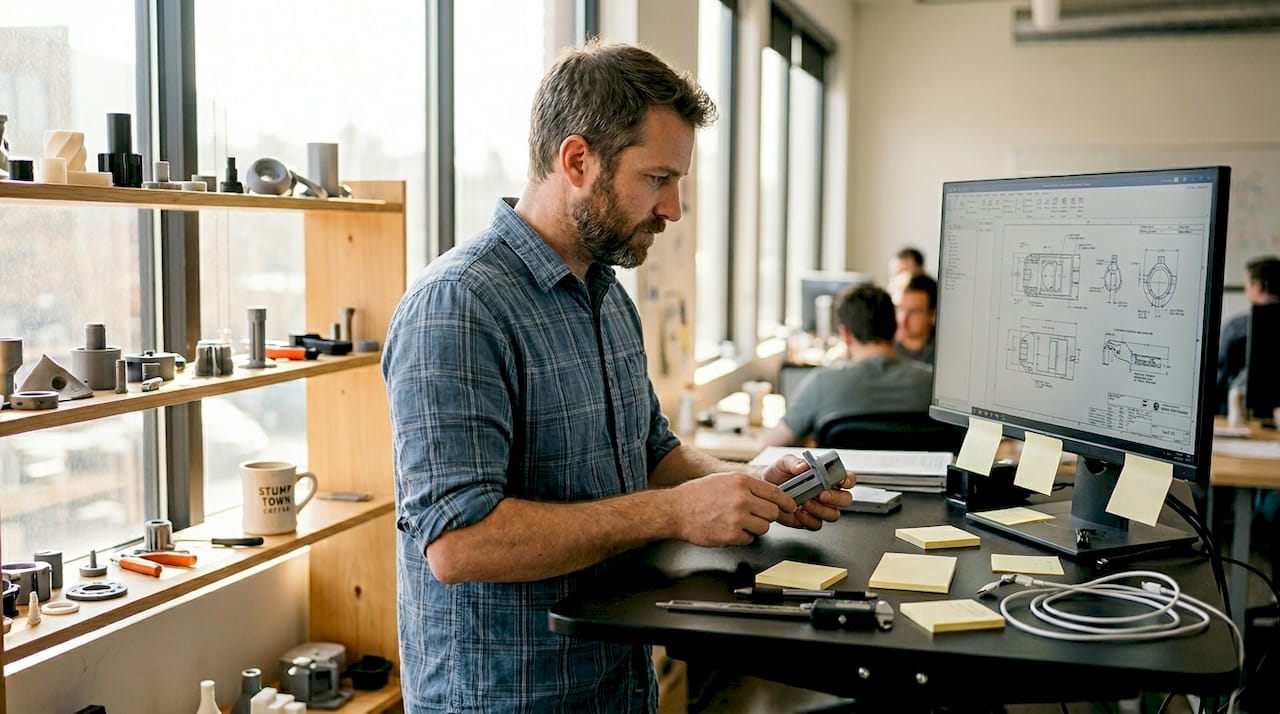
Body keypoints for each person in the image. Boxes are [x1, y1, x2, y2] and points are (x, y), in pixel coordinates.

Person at [381, 42, 853, 714]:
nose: (673, 210)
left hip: (616, 683)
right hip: (507, 700)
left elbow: (653, 452)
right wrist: (679, 513)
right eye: (658, 178)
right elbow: (460, 544)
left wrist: (747, 487)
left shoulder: (606, 295)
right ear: (576, 161)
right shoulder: (458, 308)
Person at [763, 283, 933, 446]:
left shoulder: (822, 383)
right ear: (896, 327)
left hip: (844, 476)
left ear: (845, 334)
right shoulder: (931, 383)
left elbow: (771, 445)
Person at [1217, 255, 1280, 412]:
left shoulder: (1238, 327)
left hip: (1239, 412)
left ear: (1257, 286)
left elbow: (1219, 373)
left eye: (1247, 284)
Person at [894, 273, 937, 365]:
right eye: (901, 309)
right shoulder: (885, 348)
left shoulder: (941, 355)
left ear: (932, 315)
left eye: (913, 312)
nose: (902, 320)